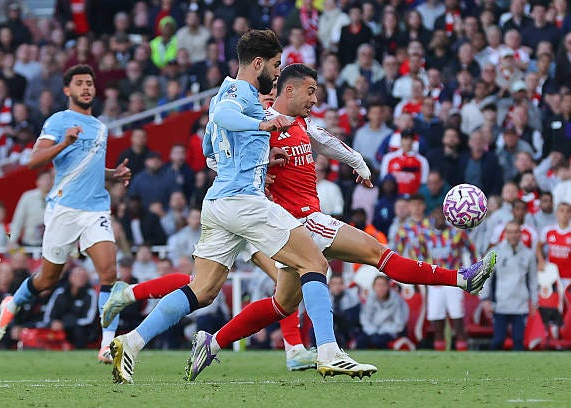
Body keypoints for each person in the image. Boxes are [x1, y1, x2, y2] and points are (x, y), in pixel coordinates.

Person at [107, 62, 496, 382]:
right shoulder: (261, 119)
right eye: (310, 91)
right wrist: (259, 165)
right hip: (295, 220)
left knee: (280, 303)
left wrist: (359, 164)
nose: (315, 99)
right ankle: (461, 279)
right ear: (288, 89)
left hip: (283, 226)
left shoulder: (301, 124)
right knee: (375, 253)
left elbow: (328, 141)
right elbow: (218, 149)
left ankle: (212, 341)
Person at [108, 31, 378, 384]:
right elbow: (223, 116)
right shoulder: (239, 93)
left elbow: (211, 151)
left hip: (219, 201)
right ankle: (328, 351)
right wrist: (262, 124)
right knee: (314, 262)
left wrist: (262, 156)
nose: (278, 74)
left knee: (201, 290)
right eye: (277, 65)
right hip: (245, 202)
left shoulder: (222, 92)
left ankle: (131, 341)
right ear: (258, 64)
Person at [0, 65, 132, 364]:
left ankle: (107, 344)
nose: (86, 88)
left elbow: (88, 168)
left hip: (96, 209)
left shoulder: (101, 127)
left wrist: (112, 175)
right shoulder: (58, 121)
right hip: (64, 210)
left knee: (110, 274)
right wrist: (64, 142)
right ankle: (11, 303)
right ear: (67, 90)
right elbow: (33, 161)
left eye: (90, 83)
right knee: (47, 280)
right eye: (79, 83)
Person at [415, 208, 478, 351]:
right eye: (436, 214)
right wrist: (422, 277)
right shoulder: (424, 236)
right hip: (435, 282)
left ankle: (463, 354)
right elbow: (420, 257)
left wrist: (472, 272)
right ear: (431, 216)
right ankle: (440, 357)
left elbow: (473, 250)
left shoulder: (458, 233)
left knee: (457, 319)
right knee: (437, 322)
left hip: (453, 280)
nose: (439, 217)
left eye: (442, 215)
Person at [481, 220, 538, 351]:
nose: (513, 235)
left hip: (521, 305)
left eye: (516, 232)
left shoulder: (528, 254)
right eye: (510, 232)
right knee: (498, 340)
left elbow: (533, 281)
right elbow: (485, 278)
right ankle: (490, 368)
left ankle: (519, 370)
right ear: (505, 234)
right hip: (500, 303)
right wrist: (485, 300)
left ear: (521, 234)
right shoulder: (494, 252)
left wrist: (534, 301)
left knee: (519, 342)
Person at [356, 275, 409, 349]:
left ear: (388, 287)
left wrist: (381, 331)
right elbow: (365, 319)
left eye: (384, 285)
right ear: (373, 287)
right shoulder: (370, 299)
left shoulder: (397, 300)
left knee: (378, 341)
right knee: (360, 340)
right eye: (378, 285)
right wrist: (373, 330)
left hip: (390, 332)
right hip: (372, 331)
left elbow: (399, 323)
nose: (381, 288)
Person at [8, 170, 53, 248]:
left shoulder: (56, 197)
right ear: (37, 182)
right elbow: (18, 220)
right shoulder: (27, 197)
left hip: (50, 244)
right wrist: (11, 240)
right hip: (29, 243)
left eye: (49, 179)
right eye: (44, 179)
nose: (47, 182)